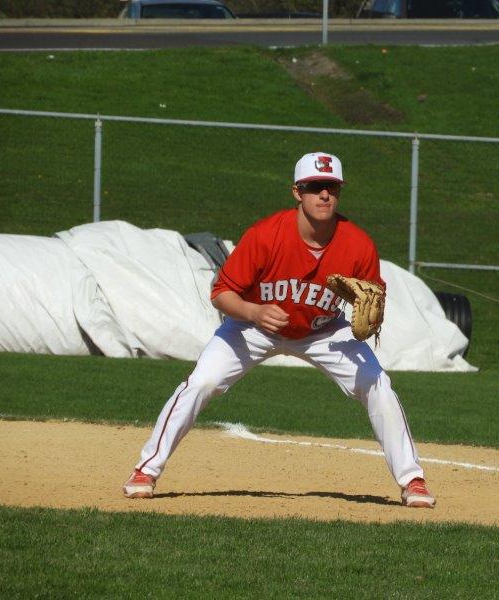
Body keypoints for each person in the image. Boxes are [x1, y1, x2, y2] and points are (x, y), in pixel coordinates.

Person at [123, 151, 435, 508]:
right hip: (251, 328)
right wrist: (253, 311)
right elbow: (221, 293)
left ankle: (413, 480)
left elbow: (373, 298)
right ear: (297, 192)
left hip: (324, 331)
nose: (324, 195)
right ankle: (146, 469)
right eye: (314, 187)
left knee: (378, 385)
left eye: (331, 187)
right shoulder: (265, 235)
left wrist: (373, 315)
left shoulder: (357, 244)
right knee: (202, 382)